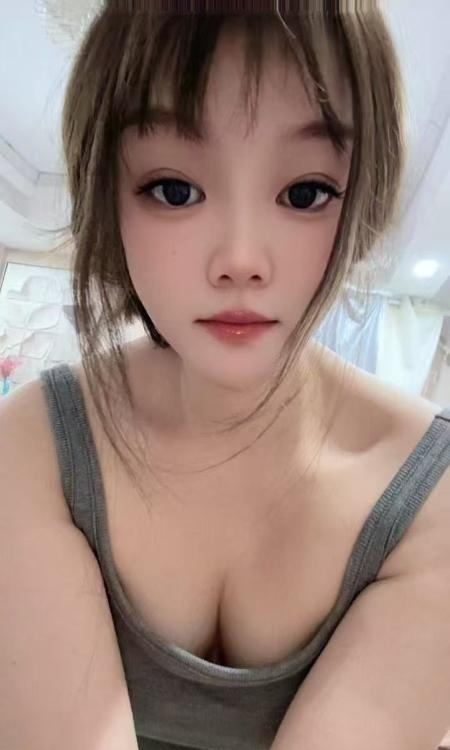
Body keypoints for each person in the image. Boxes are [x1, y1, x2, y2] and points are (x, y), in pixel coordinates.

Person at [1, 2, 450, 749]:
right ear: (108, 192)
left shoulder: (431, 501)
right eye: (174, 189)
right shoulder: (34, 447)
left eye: (305, 192)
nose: (241, 259)